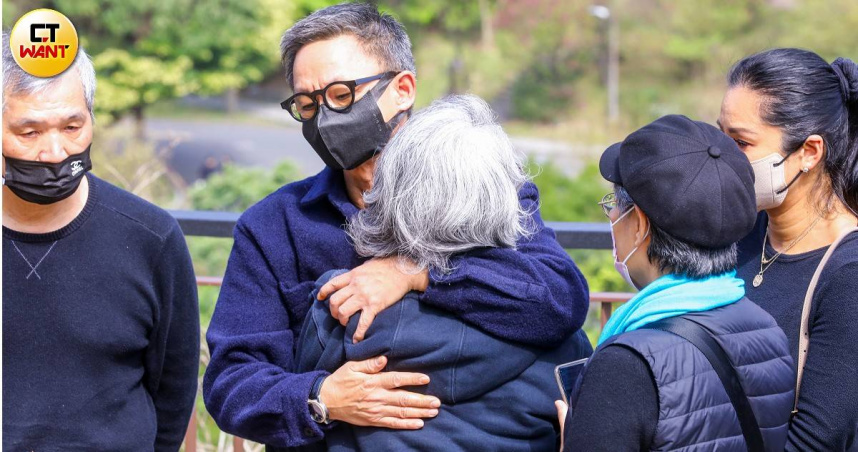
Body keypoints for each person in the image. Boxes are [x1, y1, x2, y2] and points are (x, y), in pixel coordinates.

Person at [202, 3, 589, 449]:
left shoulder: (485, 188)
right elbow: (231, 384)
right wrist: (321, 398)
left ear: (403, 88)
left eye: (342, 96)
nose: (324, 118)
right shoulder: (274, 225)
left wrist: (418, 273)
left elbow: (558, 297)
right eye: (307, 105)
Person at [295, 94, 593, 451]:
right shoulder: (559, 334)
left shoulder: (340, 307)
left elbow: (300, 435)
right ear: (504, 200)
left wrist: (320, 400)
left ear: (395, 195)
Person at [2, 33, 199, 450]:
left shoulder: (152, 238)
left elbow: (175, 387)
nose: (55, 152)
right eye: (29, 132)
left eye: (73, 127)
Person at [558, 115, 795, 451]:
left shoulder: (626, 365)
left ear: (639, 223)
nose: (611, 218)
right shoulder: (766, 330)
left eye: (614, 206)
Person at [719, 49, 858, 450]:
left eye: (741, 143)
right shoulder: (740, 231)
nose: (723, 156)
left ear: (809, 152)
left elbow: (816, 440)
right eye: (720, 135)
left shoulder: (848, 273)